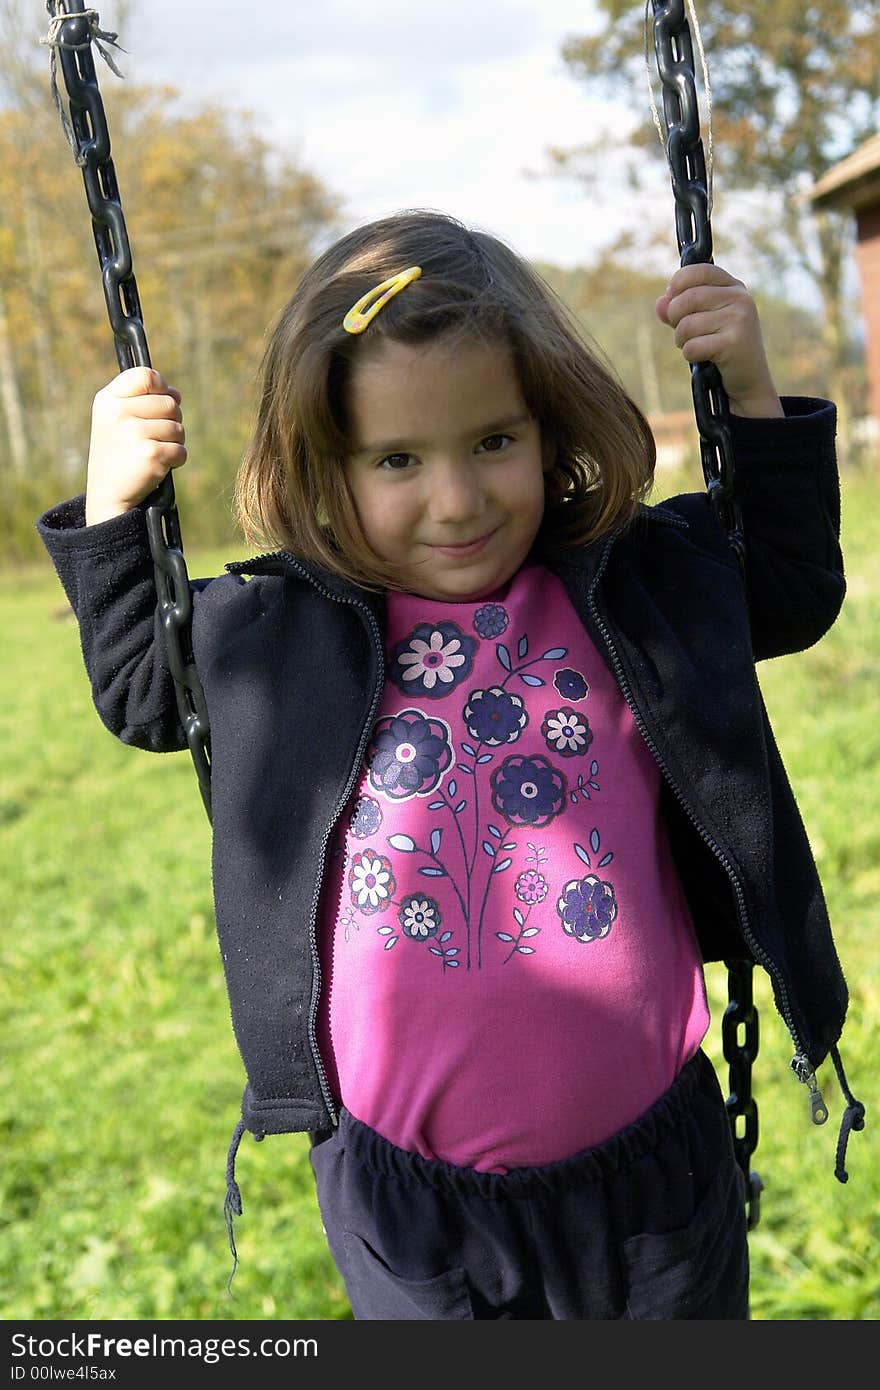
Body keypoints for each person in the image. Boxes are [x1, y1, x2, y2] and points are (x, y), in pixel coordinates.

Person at [37, 208, 864, 1320]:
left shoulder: (623, 584)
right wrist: (114, 499)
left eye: (491, 441)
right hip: (410, 1207)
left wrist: (749, 385)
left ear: (545, 424)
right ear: (327, 466)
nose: (459, 499)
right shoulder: (283, 635)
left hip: (653, 1180)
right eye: (397, 459)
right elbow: (146, 688)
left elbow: (790, 586)